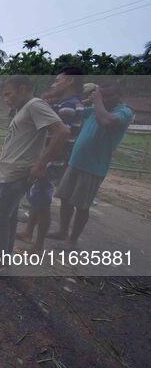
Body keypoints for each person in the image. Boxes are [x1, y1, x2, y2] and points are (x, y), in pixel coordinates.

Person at [0, 76, 70, 276]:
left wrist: (41, 163)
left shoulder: (35, 105)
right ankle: (2, 256)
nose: (6, 99)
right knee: (8, 216)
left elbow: (61, 132)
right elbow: (19, 142)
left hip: (18, 173)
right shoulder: (23, 110)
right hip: (10, 171)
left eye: (8, 94)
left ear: (23, 88)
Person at [48, 80, 134, 249]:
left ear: (120, 96)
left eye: (109, 96)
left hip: (93, 168)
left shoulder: (123, 112)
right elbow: (75, 112)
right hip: (75, 162)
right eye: (103, 95)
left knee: (81, 205)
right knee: (65, 198)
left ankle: (72, 240)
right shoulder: (95, 109)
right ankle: (63, 231)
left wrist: (98, 101)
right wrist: (83, 101)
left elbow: (107, 122)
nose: (106, 99)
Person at [16, 67, 84, 252]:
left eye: (57, 81)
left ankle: (38, 245)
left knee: (42, 203)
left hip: (51, 162)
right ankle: (28, 232)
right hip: (50, 160)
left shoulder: (69, 106)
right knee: (36, 198)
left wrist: (41, 163)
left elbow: (61, 136)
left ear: (69, 81)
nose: (54, 84)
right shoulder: (66, 103)